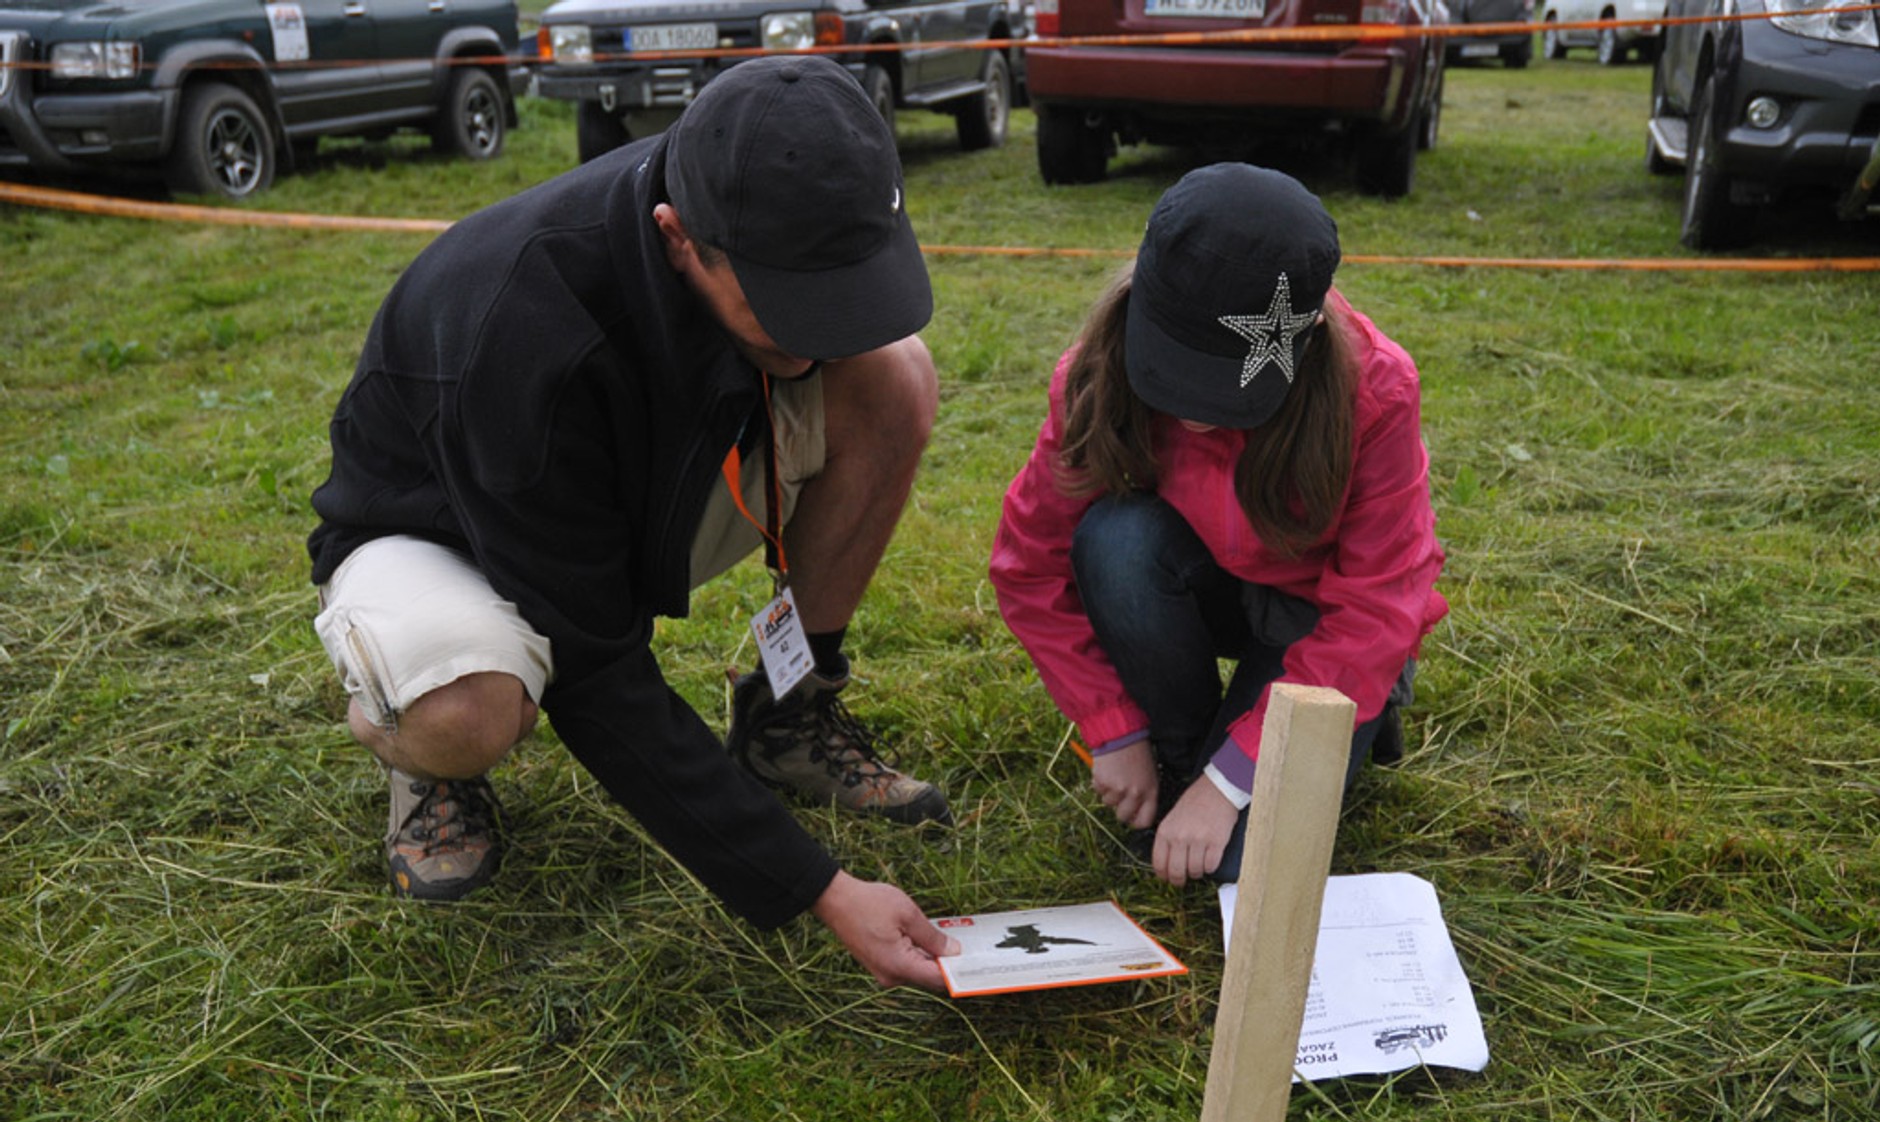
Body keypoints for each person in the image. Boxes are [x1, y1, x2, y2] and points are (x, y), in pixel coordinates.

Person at [307, 56, 959, 990]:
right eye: (786, 308)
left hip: (622, 490)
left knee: (894, 377)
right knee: (472, 708)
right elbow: (596, 669)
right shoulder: (521, 329)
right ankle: (420, 745)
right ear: (679, 238)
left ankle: (789, 715)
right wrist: (817, 886)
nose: (816, 340)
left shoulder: (752, 178)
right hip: (440, 531)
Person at [989, 163, 1448, 887]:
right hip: (1203, 584)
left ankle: (1349, 708)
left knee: (1237, 869)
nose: (1195, 412)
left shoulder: (1378, 392)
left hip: (1316, 620)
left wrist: (1230, 781)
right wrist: (1113, 727)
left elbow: (1379, 604)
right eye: (1173, 372)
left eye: (1229, 389)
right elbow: (1029, 565)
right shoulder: (1093, 377)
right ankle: (1182, 750)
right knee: (1114, 541)